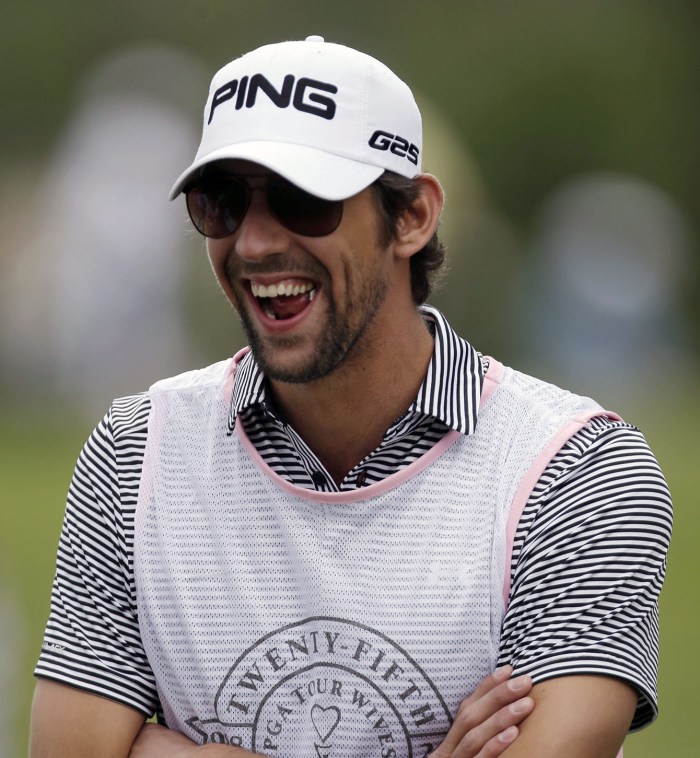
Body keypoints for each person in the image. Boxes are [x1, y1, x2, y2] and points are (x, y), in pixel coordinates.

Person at [30, 36, 672, 758]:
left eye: (303, 200)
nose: (253, 244)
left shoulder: (578, 466)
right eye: (223, 203)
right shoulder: (135, 451)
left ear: (413, 216)